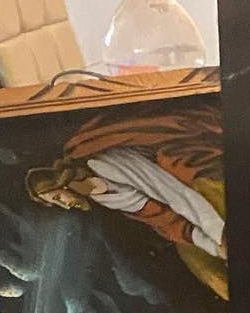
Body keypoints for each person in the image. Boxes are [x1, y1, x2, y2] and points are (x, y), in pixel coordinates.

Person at [25, 106, 227, 299]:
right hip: (189, 214)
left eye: (58, 197)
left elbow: (175, 194)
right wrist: (212, 247)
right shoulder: (97, 195)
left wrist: (220, 237)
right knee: (203, 266)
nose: (65, 205)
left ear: (63, 181)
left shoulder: (105, 165)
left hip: (194, 180)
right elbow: (160, 217)